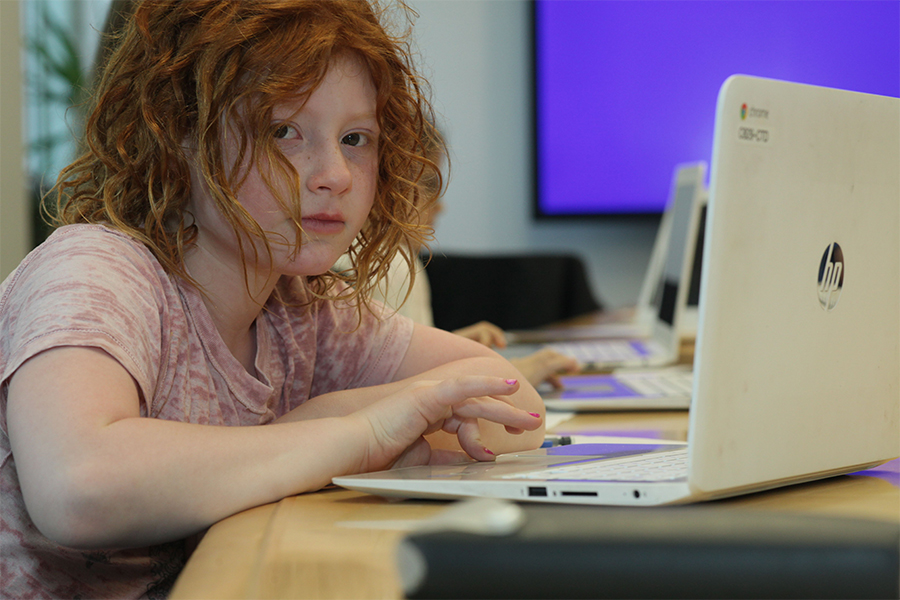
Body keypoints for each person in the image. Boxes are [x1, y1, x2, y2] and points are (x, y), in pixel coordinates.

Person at [0, 2, 545, 598]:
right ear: (179, 135)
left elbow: (516, 410)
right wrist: (361, 436)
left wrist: (315, 422)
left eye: (355, 138)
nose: (334, 173)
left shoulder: (300, 310)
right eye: (282, 131)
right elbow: (78, 487)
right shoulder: (97, 271)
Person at [351, 127, 580, 388]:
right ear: (386, 186)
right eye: (429, 184)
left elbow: (386, 372)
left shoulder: (378, 259)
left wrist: (447, 351)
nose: (439, 205)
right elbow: (404, 395)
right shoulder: (391, 263)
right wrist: (505, 376)